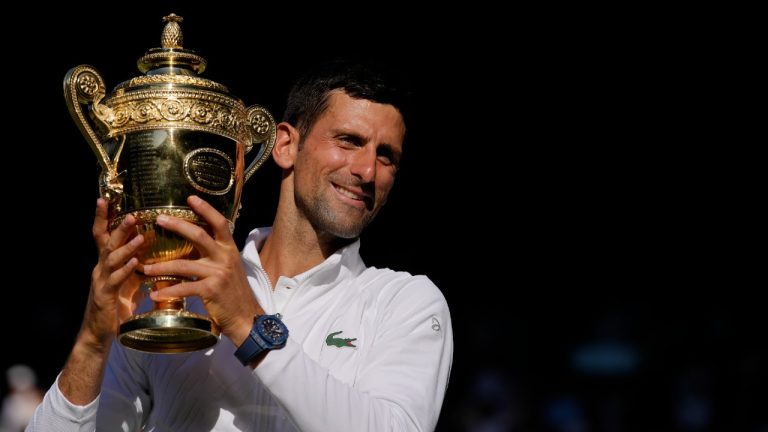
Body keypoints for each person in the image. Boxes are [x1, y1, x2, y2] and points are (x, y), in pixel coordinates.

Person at [29, 59, 453, 431]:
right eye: (348, 141)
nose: (366, 170)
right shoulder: (171, 293)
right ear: (286, 145)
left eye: (386, 156)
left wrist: (248, 324)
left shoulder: (406, 303)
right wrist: (92, 338)